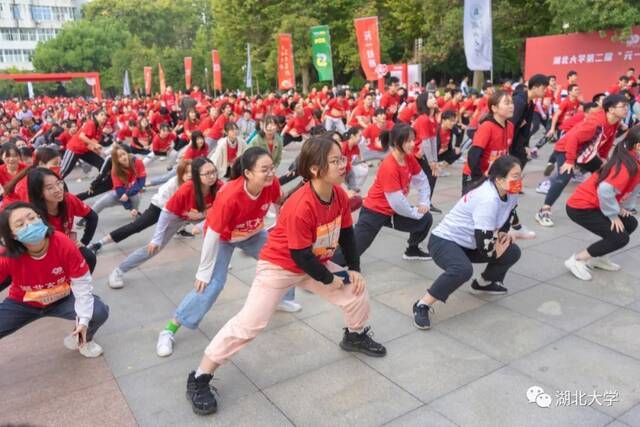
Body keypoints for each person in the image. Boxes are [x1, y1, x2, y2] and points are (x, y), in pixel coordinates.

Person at [185, 136, 386, 415]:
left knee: (356, 291)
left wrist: (353, 270)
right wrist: (330, 279)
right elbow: (299, 256)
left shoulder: (338, 195)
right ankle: (199, 377)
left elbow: (348, 236)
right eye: (336, 161)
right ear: (315, 169)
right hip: (279, 267)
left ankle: (354, 335)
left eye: (343, 158)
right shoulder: (300, 204)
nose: (344, 165)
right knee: (250, 323)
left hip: (311, 262)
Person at [156, 148, 301, 357]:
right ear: (248, 173)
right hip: (222, 239)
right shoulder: (230, 195)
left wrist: (281, 229)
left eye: (272, 168)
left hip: (252, 234)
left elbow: (280, 203)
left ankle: (283, 298)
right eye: (264, 169)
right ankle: (169, 330)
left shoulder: (271, 184)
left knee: (286, 257)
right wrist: (203, 271)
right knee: (212, 285)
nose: (270, 173)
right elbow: (212, 234)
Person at [414, 156, 523, 329]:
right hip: (444, 241)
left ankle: (483, 283)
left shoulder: (510, 193)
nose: (519, 180)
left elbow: (509, 215)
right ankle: (422, 304)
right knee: (462, 269)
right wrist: (496, 251)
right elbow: (485, 245)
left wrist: (504, 235)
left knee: (513, 251)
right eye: (515, 176)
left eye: (520, 176)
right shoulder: (488, 199)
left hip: (469, 242)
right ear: (499, 179)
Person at [0, 202, 109, 357]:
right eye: (20, 224)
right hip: (22, 303)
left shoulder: (62, 243)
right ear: (12, 235)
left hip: (62, 298)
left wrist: (83, 321)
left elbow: (82, 282)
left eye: (31, 218)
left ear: (40, 218)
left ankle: (82, 340)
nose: (29, 225)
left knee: (98, 312)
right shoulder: (7, 255)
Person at [108, 157, 221, 289]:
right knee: (154, 248)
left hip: (197, 215)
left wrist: (202, 223)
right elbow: (166, 211)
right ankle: (118, 271)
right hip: (175, 216)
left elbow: (221, 210)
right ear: (197, 174)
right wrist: (156, 239)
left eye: (214, 171)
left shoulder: (218, 186)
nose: (212, 176)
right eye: (207, 173)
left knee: (217, 232)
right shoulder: (187, 188)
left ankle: (218, 262)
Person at [333, 122, 433, 265]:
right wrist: (414, 211)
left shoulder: (409, 158)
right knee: (353, 251)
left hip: (392, 211)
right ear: (397, 142)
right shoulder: (389, 166)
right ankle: (322, 272)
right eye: (408, 140)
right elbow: (397, 202)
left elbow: (422, 181)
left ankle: (412, 250)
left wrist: (424, 203)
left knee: (425, 219)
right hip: (374, 211)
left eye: (413, 139)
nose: (413, 143)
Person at [535, 94, 628, 227]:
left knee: (605, 173)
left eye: (627, 106)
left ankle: (600, 206)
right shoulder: (595, 123)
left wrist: (602, 157)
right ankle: (544, 210)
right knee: (565, 176)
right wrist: (569, 161)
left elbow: (608, 140)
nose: (626, 109)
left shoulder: (614, 122)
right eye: (623, 106)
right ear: (611, 110)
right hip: (566, 148)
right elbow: (573, 138)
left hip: (585, 152)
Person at [564, 126, 640, 281]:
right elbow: (605, 190)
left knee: (630, 223)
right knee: (620, 238)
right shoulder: (627, 164)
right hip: (581, 207)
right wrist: (613, 215)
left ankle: (598, 258)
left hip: (596, 204)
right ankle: (578, 260)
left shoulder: (631, 158)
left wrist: (620, 208)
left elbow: (621, 189)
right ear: (638, 146)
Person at [88, 160, 192, 254]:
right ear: (180, 173)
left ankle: (180, 229)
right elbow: (165, 204)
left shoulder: (196, 183)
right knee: (136, 226)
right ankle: (99, 243)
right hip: (159, 208)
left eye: (192, 172)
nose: (190, 175)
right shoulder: (172, 184)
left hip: (176, 210)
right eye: (187, 172)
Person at [27, 168, 98, 272]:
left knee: (89, 257)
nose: (58, 189)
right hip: (44, 253)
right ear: (39, 192)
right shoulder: (33, 214)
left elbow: (92, 217)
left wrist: (84, 242)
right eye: (50, 187)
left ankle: (79, 287)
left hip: (65, 246)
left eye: (59, 183)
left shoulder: (68, 199)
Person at [462, 90, 514, 195]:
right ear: (494, 108)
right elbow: (473, 155)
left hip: (494, 176)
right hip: (475, 174)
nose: (511, 106)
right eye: (507, 103)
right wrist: (479, 178)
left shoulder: (510, 126)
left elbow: (505, 153)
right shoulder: (487, 127)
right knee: (471, 209)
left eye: (512, 103)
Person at [90, 144, 146, 217]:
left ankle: (135, 212)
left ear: (127, 153)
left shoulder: (137, 162)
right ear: (116, 160)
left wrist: (128, 194)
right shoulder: (115, 169)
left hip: (132, 192)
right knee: (101, 202)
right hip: (120, 194)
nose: (123, 157)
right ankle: (86, 218)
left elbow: (141, 183)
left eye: (123, 154)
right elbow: (119, 190)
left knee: (136, 195)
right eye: (119, 157)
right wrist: (129, 206)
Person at [60, 110, 107, 178]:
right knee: (64, 171)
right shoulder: (91, 123)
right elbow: (82, 136)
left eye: (105, 115)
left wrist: (97, 150)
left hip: (84, 150)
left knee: (102, 164)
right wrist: (94, 145)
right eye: (102, 115)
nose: (104, 117)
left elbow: (93, 143)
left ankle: (101, 182)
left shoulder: (99, 128)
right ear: (96, 116)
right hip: (74, 149)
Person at [342, 126, 368, 192]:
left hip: (349, 168)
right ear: (352, 136)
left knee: (365, 170)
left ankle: (354, 187)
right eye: (359, 136)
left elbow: (360, 154)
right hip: (343, 170)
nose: (361, 138)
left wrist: (363, 162)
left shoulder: (355, 146)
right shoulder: (344, 146)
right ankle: (351, 187)